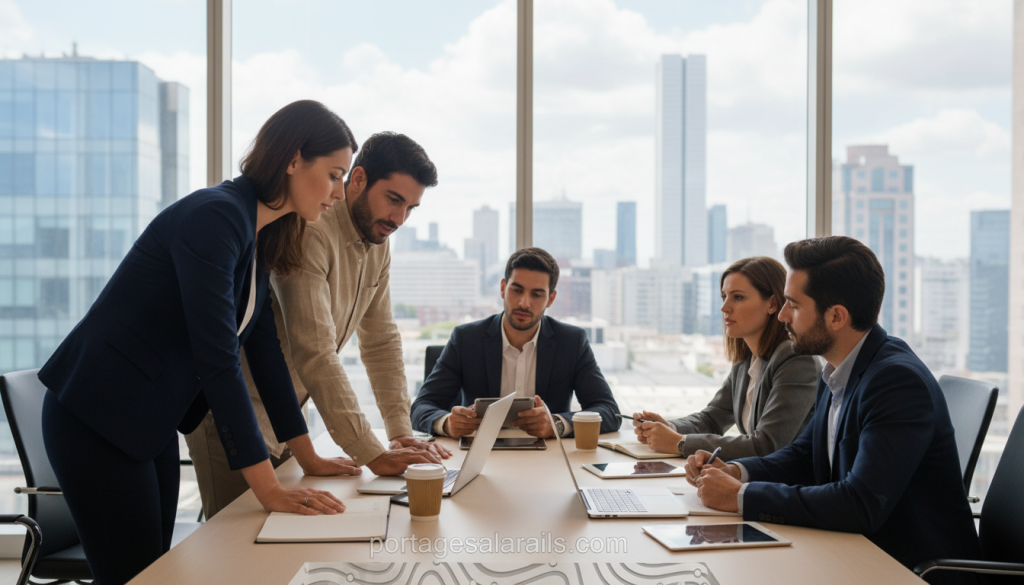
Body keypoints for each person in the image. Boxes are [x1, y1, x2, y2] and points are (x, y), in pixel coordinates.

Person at [39, 100, 362, 585]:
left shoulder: (257, 235)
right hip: (95, 418)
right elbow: (217, 359)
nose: (338, 193)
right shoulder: (216, 217)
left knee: (155, 569)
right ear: (294, 160)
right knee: (131, 575)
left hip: (146, 421)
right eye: (335, 175)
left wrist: (307, 453)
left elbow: (265, 351)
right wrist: (267, 487)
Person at [686, 236, 982, 585]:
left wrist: (739, 497)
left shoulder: (895, 381)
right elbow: (804, 455)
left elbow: (859, 504)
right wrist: (738, 472)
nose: (782, 316)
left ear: (837, 316)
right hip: (855, 554)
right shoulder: (840, 368)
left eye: (793, 305)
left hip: (907, 570)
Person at [186, 132, 452, 518]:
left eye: (411, 207)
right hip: (233, 416)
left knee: (283, 546)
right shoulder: (309, 231)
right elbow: (316, 352)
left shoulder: (379, 240)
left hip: (288, 421)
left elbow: (380, 340)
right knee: (238, 550)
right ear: (357, 179)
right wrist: (370, 452)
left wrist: (399, 432)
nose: (399, 219)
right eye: (394, 199)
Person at [411, 247, 621, 438]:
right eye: (517, 290)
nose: (524, 303)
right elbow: (422, 406)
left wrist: (556, 424)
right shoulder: (466, 339)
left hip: (548, 459)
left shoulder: (571, 342)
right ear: (503, 288)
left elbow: (609, 411)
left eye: (537, 294)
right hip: (479, 458)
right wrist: (447, 423)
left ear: (551, 299)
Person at [632, 257, 819, 459]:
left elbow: (767, 445)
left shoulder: (796, 359)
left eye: (737, 297)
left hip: (787, 486)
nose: (724, 308)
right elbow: (712, 419)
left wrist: (680, 443)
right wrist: (670, 427)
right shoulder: (745, 360)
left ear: (772, 304)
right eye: (724, 296)